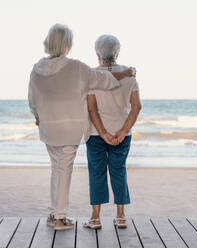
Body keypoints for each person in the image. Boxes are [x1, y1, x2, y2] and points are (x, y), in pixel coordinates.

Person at [28, 24, 135, 231]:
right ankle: (60, 218)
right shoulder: (75, 67)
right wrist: (127, 72)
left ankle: (53, 212)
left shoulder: (37, 68)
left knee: (56, 169)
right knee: (64, 169)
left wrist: (37, 116)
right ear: (67, 43)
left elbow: (32, 99)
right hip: (70, 128)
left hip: (48, 127)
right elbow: (104, 80)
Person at [83, 34, 142, 230]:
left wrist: (102, 133)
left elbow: (92, 110)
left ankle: (96, 218)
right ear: (117, 53)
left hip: (95, 134)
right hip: (121, 135)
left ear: (97, 53)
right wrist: (124, 131)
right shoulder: (130, 76)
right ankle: (121, 216)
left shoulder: (91, 76)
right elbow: (136, 107)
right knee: (119, 172)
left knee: (96, 173)